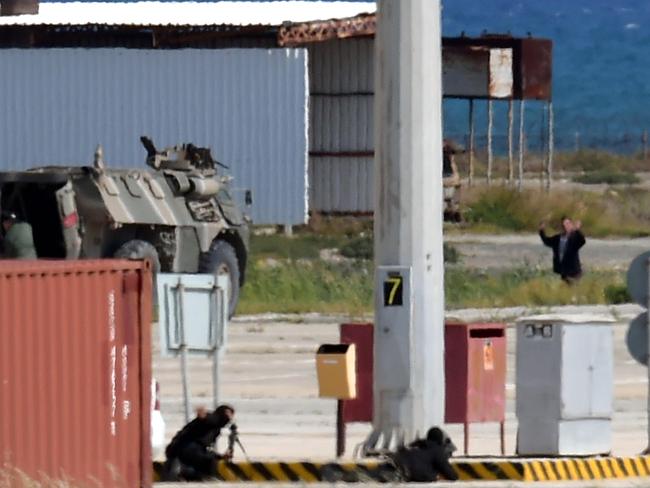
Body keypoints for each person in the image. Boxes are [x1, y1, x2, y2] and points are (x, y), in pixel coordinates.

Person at [164, 404, 235, 481]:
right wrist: (203, 415)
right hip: (184, 449)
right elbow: (207, 418)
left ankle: (185, 473)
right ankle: (182, 470)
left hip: (182, 449)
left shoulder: (215, 428)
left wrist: (221, 456)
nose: (230, 418)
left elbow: (204, 448)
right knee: (210, 459)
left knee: (207, 459)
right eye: (228, 414)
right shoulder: (214, 420)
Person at [391, 427, 458, 482]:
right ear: (440, 440)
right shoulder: (437, 450)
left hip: (396, 467)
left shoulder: (416, 445)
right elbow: (452, 476)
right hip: (411, 474)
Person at [539, 216, 586, 283]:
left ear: (571, 224)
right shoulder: (558, 238)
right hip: (564, 271)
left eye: (568, 224)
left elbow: (582, 241)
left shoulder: (575, 237)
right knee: (565, 290)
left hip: (574, 271)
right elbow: (547, 241)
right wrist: (541, 231)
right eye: (564, 224)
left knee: (572, 289)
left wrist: (578, 230)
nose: (566, 226)